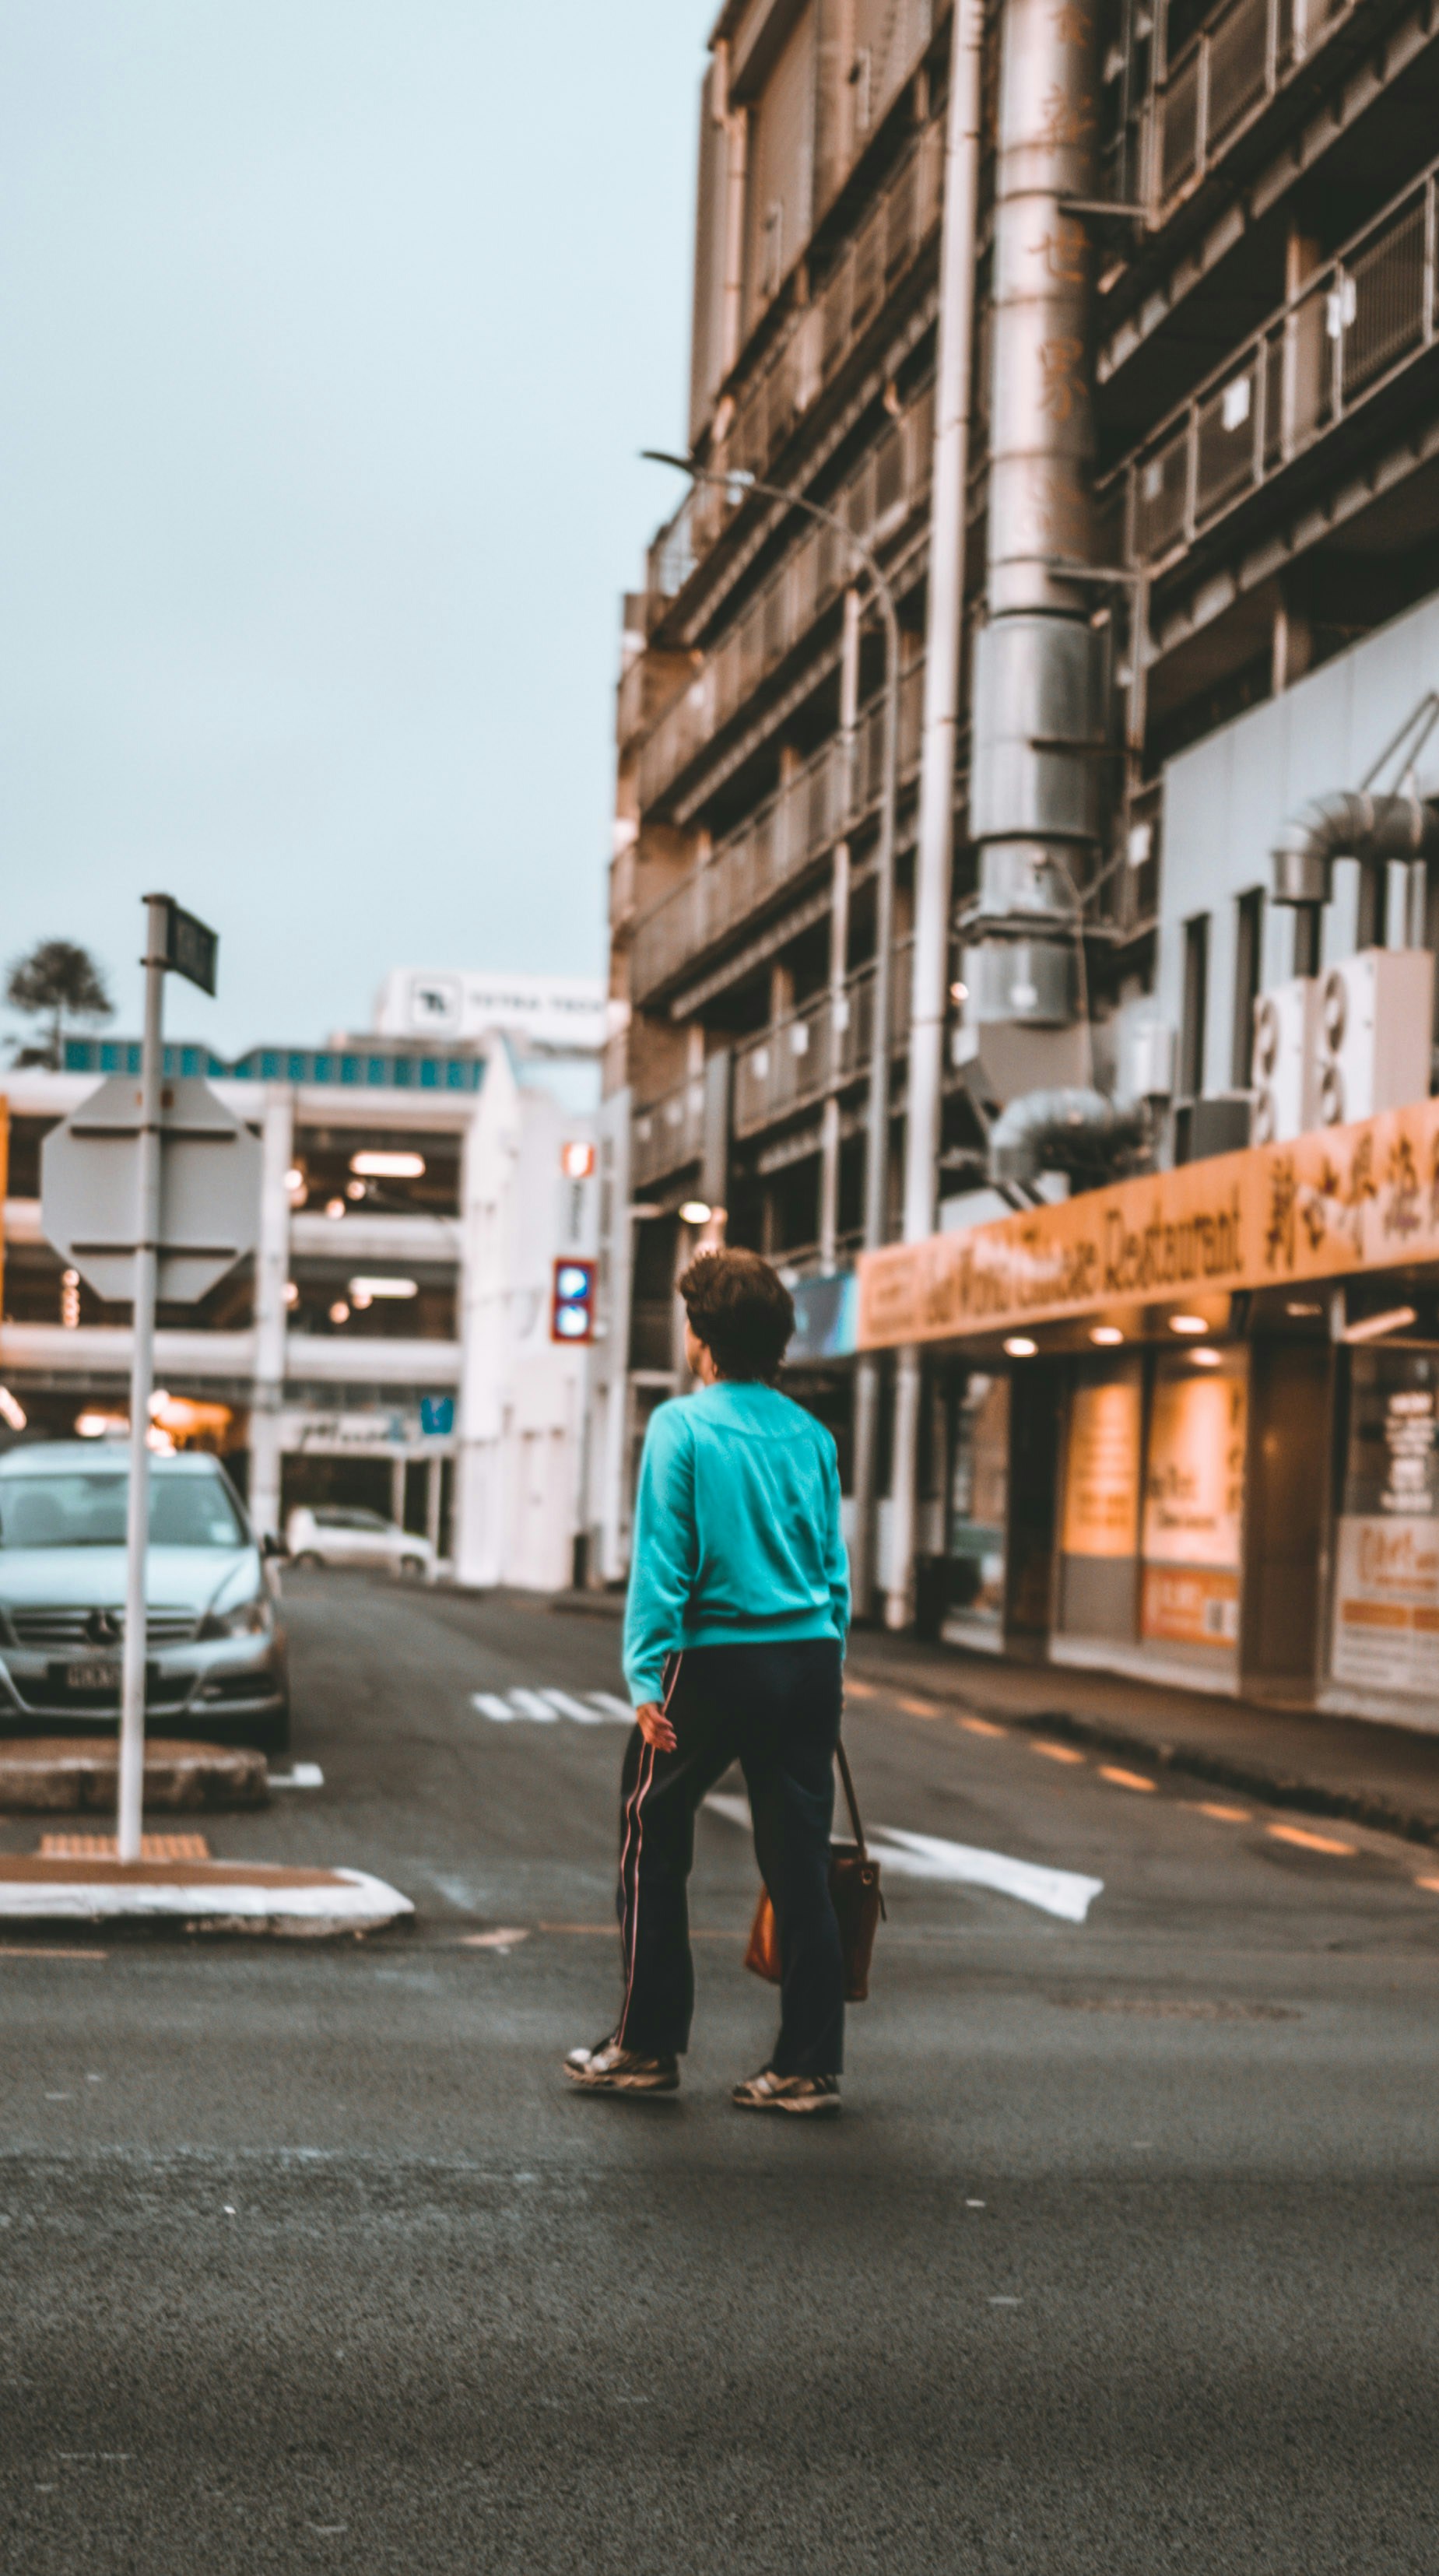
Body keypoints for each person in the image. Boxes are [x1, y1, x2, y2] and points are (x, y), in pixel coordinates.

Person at [565, 1247, 851, 2116]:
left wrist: (646, 1675)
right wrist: (827, 1657)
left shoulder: (682, 1426)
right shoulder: (812, 1436)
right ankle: (807, 2065)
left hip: (714, 1659)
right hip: (806, 1657)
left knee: (651, 1831)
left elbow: (663, 1561)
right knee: (799, 1860)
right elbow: (832, 1570)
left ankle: (646, 2044)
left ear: (704, 1338)